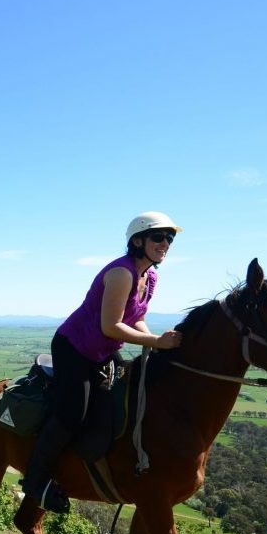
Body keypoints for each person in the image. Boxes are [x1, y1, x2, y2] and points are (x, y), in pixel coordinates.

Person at [21, 211, 184, 513]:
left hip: (103, 349)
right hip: (75, 348)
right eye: (159, 237)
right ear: (138, 240)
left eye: (170, 238)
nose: (166, 243)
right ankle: (35, 480)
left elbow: (137, 318)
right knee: (73, 413)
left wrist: (155, 342)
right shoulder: (122, 273)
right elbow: (111, 326)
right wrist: (156, 342)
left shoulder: (150, 277)